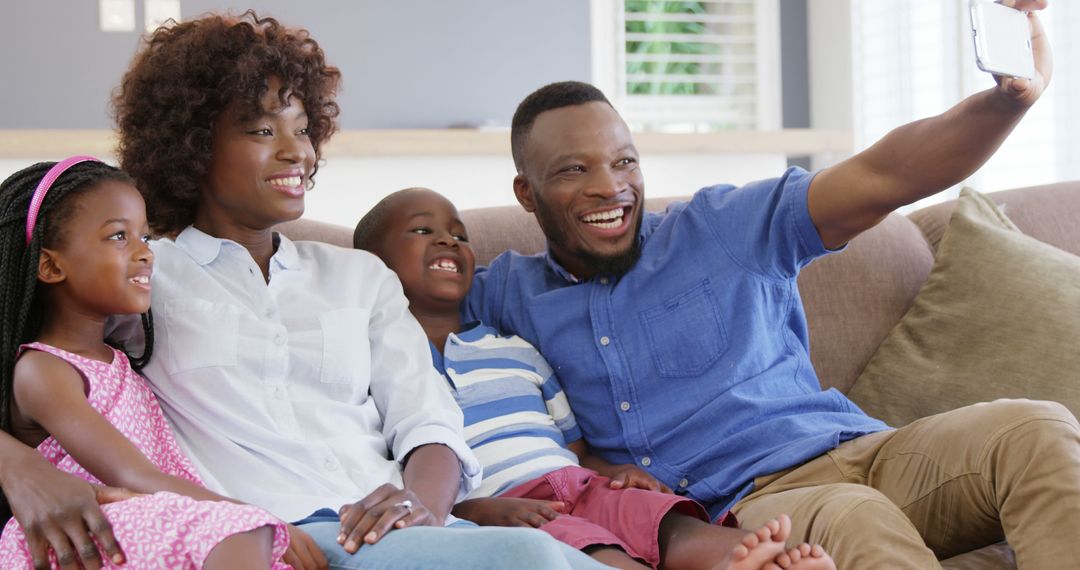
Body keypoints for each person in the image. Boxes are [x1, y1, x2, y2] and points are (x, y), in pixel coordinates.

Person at [465, 2, 1080, 568]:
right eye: (575, 170)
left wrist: (1009, 101)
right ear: (527, 193)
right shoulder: (505, 295)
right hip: (754, 502)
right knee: (856, 518)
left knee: (1035, 427)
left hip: (866, 449)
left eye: (624, 161)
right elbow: (383, 295)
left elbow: (885, 174)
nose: (610, 187)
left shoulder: (719, 227)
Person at [0, 11, 603, 570]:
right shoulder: (141, 274)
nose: (298, 151)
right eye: (263, 129)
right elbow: (33, 350)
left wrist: (420, 505)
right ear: (192, 145)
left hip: (405, 532)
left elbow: (428, 421)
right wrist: (20, 468)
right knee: (534, 559)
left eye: (304, 127)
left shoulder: (360, 276)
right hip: (273, 542)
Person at [355, 186, 836, 570]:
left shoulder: (514, 350)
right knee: (591, 550)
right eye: (423, 230)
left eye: (458, 234)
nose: (449, 241)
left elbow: (577, 448)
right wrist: (470, 511)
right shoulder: (375, 365)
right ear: (369, 267)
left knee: (661, 522)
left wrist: (618, 474)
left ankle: (743, 557)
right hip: (507, 505)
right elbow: (389, 472)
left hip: (578, 481)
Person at [0, 158, 290, 569]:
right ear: (50, 266)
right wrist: (256, 514)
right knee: (246, 530)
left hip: (146, 517)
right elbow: (132, 476)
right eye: (119, 236)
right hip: (91, 527)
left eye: (146, 237)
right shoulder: (44, 370)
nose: (144, 254)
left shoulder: (119, 357)